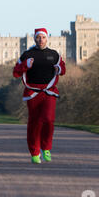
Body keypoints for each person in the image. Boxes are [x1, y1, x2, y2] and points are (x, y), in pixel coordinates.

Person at [13, 28, 66, 164]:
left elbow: (63, 68)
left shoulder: (54, 54)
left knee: (48, 120)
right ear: (34, 39)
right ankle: (35, 152)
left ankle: (46, 148)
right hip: (33, 93)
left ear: (47, 38)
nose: (41, 40)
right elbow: (16, 72)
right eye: (38, 37)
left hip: (49, 91)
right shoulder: (27, 54)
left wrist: (59, 69)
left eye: (43, 37)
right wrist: (25, 65)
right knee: (35, 123)